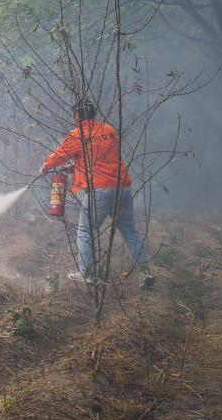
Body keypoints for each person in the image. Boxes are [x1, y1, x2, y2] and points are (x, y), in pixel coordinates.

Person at [41, 100, 154, 288]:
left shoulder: (77, 135)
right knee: (130, 232)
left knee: (85, 231)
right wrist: (76, 167)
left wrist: (45, 167)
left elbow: (58, 156)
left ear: (77, 116)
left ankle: (87, 274)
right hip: (122, 187)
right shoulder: (109, 130)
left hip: (100, 191)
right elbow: (101, 158)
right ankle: (146, 272)